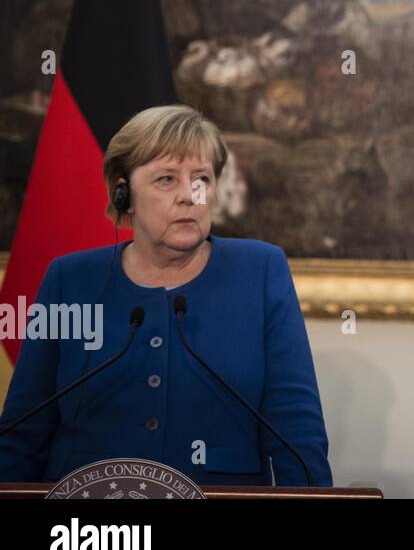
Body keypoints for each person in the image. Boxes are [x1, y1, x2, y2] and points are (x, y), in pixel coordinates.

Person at [0, 104, 332, 486]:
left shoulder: (260, 271)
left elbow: (296, 429)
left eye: (201, 179)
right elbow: (24, 430)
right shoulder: (69, 280)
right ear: (123, 193)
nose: (189, 196)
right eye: (166, 180)